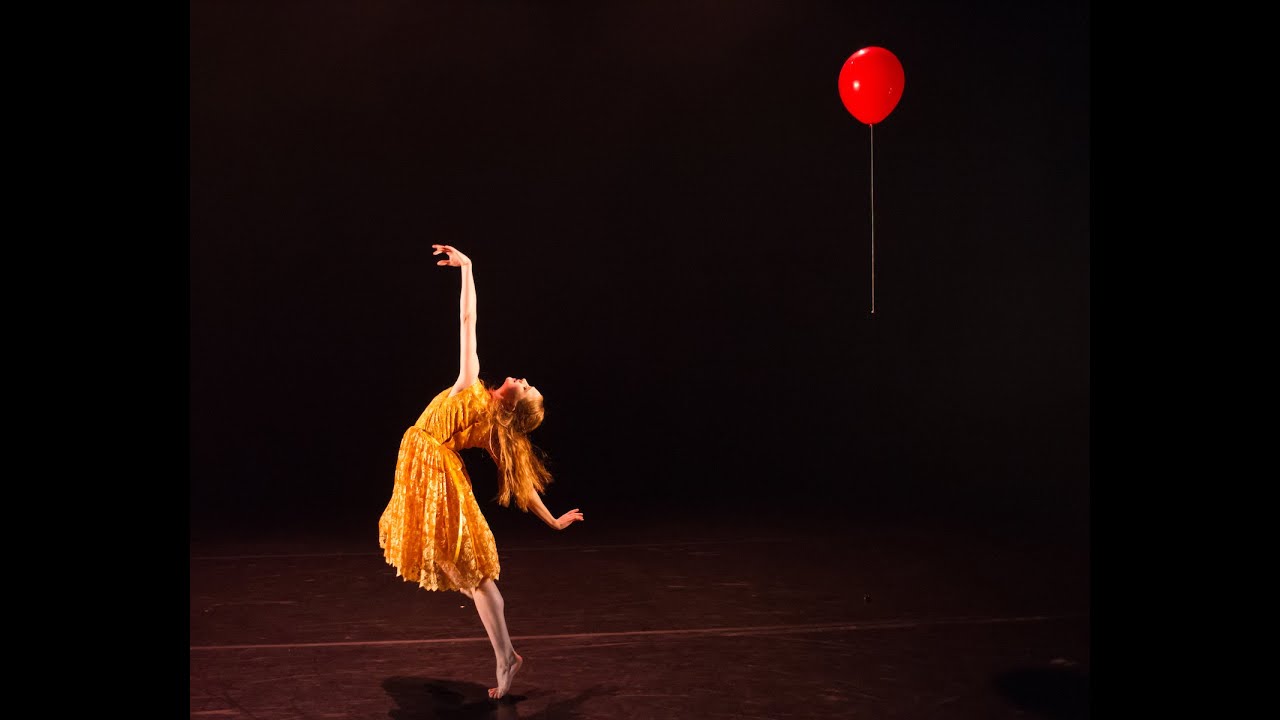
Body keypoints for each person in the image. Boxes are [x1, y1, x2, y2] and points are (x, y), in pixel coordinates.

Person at [378, 243, 584, 700]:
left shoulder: (471, 386)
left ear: (512, 404)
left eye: (525, 388)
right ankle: (506, 654)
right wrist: (467, 268)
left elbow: (466, 322)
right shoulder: (485, 411)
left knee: (475, 572)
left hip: (436, 474)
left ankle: (507, 656)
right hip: (424, 469)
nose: (521, 379)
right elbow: (521, 483)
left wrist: (467, 270)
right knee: (467, 572)